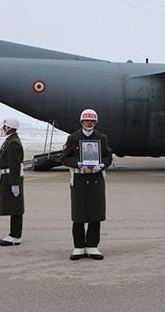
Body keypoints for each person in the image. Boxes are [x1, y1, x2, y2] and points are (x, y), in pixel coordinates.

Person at [60, 109, 113, 261]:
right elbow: (64, 158)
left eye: (92, 121)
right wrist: (78, 164)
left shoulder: (101, 138)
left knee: (95, 215)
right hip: (79, 179)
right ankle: (78, 246)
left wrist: (102, 165)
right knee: (79, 214)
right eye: (86, 120)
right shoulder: (73, 138)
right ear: (81, 122)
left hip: (96, 179)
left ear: (95, 122)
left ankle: (92, 246)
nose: (89, 123)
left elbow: (108, 156)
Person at [0, 118, 25, 246]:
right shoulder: (11, 140)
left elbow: (15, 164)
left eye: (4, 127)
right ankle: (14, 233)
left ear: (9, 128)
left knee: (15, 207)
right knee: (13, 206)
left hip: (11, 177)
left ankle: (15, 235)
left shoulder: (13, 143)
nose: (3, 129)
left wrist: (15, 184)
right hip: (8, 176)